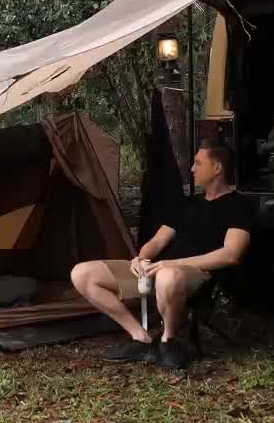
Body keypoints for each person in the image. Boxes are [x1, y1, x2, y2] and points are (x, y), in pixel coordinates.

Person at [69, 139, 254, 370]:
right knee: (82, 273)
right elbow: (156, 242)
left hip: (193, 273)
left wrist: (171, 264)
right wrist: (141, 258)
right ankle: (141, 337)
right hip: (158, 269)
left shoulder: (239, 205)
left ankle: (168, 340)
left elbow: (230, 254)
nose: (192, 169)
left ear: (217, 168)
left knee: (169, 276)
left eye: (198, 163)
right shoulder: (188, 204)